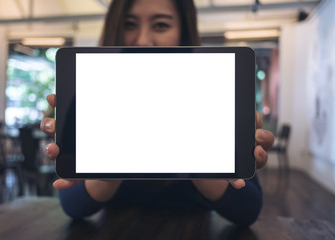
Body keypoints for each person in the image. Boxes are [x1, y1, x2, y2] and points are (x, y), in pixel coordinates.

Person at [41, 0, 274, 227]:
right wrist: (111, 170)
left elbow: (248, 210)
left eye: (161, 25)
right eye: (129, 24)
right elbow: (72, 205)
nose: (142, 40)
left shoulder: (213, 98)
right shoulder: (90, 98)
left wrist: (200, 156)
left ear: (183, 31)